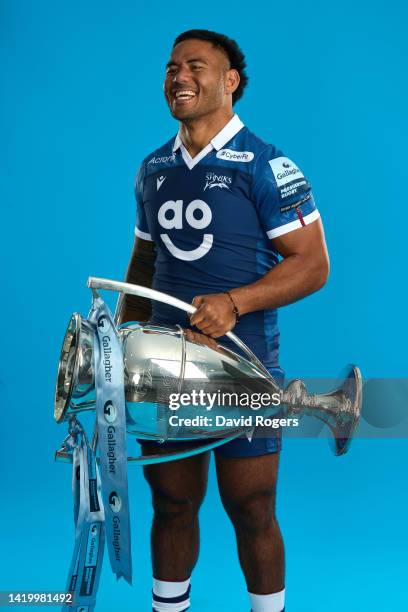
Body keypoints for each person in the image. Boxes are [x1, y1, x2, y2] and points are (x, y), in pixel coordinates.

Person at [116, 29, 329, 612]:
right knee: (172, 504)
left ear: (231, 81)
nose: (179, 77)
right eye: (170, 67)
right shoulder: (154, 168)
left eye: (195, 66)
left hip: (245, 368)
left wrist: (234, 302)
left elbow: (313, 264)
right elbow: (143, 259)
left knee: (253, 508)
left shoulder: (265, 164)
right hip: (162, 372)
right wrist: (119, 340)